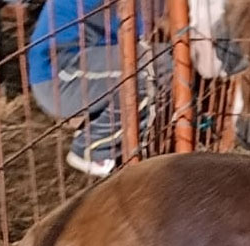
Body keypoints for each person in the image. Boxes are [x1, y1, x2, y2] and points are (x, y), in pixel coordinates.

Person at [18, 0, 165, 176]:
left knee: (160, 59)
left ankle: (107, 128)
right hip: (60, 76)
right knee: (158, 65)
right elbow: (156, 24)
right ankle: (93, 147)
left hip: (83, 66)